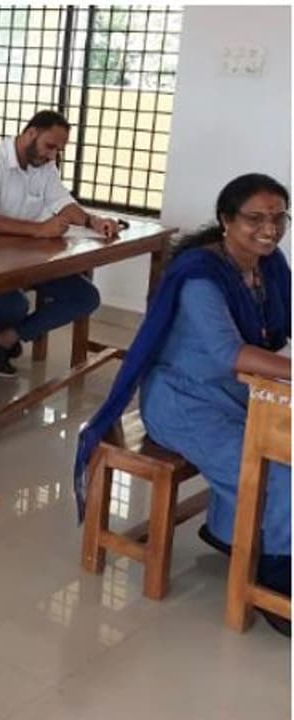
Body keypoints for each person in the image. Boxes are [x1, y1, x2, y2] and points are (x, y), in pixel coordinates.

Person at [75, 173, 291, 634]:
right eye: (255, 219)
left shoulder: (268, 265)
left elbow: (277, 331)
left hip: (238, 390)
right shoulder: (200, 276)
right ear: (226, 221)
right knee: (275, 470)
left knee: (282, 450)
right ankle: (273, 573)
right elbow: (230, 353)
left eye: (278, 218)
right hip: (183, 401)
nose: (269, 229)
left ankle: (230, 531)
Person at [0, 110, 121, 378]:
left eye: (59, 149)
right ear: (30, 134)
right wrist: (39, 230)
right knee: (14, 305)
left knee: (85, 297)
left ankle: (4, 339)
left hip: (25, 256)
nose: (53, 155)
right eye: (49, 146)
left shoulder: (44, 165)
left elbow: (61, 202)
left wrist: (92, 221)